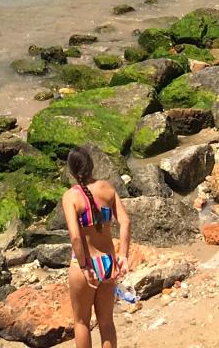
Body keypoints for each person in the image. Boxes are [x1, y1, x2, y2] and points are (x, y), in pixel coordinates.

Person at [61, 144, 131, 348]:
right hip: (108, 263)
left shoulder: (71, 197)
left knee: (81, 322)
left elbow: (76, 237)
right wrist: (123, 255)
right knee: (106, 322)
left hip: (87, 265)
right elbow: (125, 222)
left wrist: (84, 267)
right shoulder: (107, 188)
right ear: (91, 166)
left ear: (71, 170)